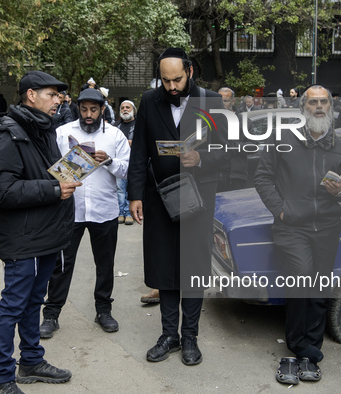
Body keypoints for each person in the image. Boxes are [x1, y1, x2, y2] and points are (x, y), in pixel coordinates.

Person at [127, 47, 226, 365]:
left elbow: (227, 150)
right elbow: (139, 151)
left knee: (193, 268)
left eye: (177, 79)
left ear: (190, 72)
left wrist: (202, 157)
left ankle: (190, 337)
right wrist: (134, 195)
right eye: (165, 80)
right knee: (165, 267)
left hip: (198, 197)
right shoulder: (149, 100)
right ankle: (169, 335)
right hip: (159, 197)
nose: (171, 86)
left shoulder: (211, 101)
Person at [0, 71, 78, 394]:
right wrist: (54, 189)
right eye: (53, 94)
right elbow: (1, 191)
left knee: (35, 300)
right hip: (25, 238)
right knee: (13, 305)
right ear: (31, 95)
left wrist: (77, 166)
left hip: (47, 233)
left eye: (60, 96)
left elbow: (46, 172)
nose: (59, 100)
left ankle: (32, 360)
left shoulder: (42, 130)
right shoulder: (4, 133)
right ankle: (1, 378)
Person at [254, 85, 341, 386]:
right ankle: (299, 345)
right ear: (303, 108)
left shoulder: (339, 147)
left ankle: (310, 350)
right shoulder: (284, 140)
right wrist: (281, 211)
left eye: (324, 101)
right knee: (301, 275)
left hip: (326, 225)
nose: (320, 107)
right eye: (314, 102)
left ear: (331, 107)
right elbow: (262, 178)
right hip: (291, 226)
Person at [40, 88, 130, 338]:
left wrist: (109, 160)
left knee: (105, 264)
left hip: (105, 210)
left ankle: (103, 310)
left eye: (93, 110)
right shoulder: (63, 132)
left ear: (102, 109)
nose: (88, 115)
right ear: (78, 109)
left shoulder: (115, 135)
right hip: (71, 210)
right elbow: (48, 167)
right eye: (84, 110)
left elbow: (128, 169)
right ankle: (51, 313)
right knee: (61, 264)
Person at [217, 87, 249, 192]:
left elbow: (253, 146)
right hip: (216, 174)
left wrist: (233, 146)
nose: (222, 104)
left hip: (237, 175)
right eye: (219, 101)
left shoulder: (244, 121)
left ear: (233, 101)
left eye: (225, 101)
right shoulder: (210, 120)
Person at [113, 100, 137, 225]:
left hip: (134, 161)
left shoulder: (139, 124)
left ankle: (129, 213)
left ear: (133, 110)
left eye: (128, 107)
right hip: (119, 161)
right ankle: (120, 213)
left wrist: (133, 143)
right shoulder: (115, 126)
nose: (125, 110)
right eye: (122, 108)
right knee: (119, 188)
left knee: (130, 187)